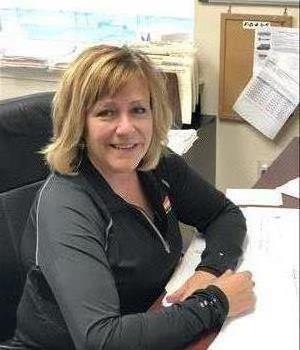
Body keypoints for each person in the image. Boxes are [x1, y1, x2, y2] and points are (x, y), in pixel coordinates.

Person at [12, 45, 255, 350]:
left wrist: (209, 271)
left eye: (139, 109)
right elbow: (101, 339)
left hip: (153, 319)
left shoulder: (155, 164)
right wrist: (215, 303)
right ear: (79, 123)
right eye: (106, 112)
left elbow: (223, 214)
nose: (126, 128)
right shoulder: (66, 204)